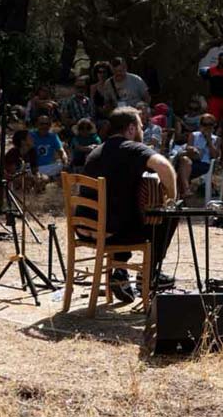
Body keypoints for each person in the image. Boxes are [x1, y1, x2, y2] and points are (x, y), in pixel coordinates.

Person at [81, 107, 179, 302]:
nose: (143, 131)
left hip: (85, 227)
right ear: (132, 129)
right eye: (141, 126)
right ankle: (149, 275)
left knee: (126, 211)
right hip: (111, 231)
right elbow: (164, 166)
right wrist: (172, 198)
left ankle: (120, 272)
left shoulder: (97, 151)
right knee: (165, 218)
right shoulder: (131, 148)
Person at [172, 114, 218, 198]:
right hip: (192, 161)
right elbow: (188, 147)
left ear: (214, 126)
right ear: (200, 125)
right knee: (184, 160)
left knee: (182, 168)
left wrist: (209, 141)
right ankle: (186, 190)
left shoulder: (216, 139)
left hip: (206, 165)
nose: (207, 127)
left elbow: (215, 156)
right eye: (205, 124)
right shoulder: (194, 135)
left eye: (210, 124)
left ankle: (182, 192)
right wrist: (193, 149)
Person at [200, 52, 223, 123]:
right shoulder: (211, 70)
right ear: (218, 60)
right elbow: (206, 83)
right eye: (222, 59)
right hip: (215, 98)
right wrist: (207, 95)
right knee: (213, 117)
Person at [29, 114, 66, 182]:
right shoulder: (30, 135)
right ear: (37, 124)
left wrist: (64, 160)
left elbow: (61, 151)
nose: (44, 126)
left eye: (47, 124)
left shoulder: (53, 136)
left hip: (50, 167)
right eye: (42, 124)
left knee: (62, 165)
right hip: (35, 168)